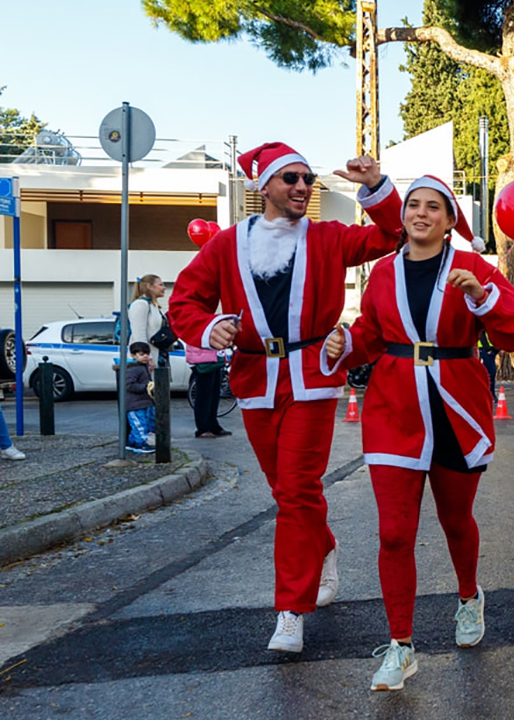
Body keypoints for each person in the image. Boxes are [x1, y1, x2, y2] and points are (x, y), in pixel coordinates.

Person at [168, 141, 403, 654]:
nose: (302, 187)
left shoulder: (329, 237)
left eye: (308, 179)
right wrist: (209, 327)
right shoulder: (227, 244)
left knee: (296, 488)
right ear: (264, 187)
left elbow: (395, 234)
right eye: (291, 179)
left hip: (313, 379)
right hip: (255, 381)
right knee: (288, 492)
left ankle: (291, 610)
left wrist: (374, 187)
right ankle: (324, 547)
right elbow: (183, 300)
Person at [322, 174, 514, 692]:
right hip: (394, 411)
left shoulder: (472, 267)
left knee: (455, 520)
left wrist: (484, 298)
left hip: (456, 411)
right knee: (394, 533)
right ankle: (400, 647)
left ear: (449, 221)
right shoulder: (385, 272)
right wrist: (344, 345)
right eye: (413, 205)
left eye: (433, 207)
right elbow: (370, 335)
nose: (420, 213)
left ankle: (468, 597)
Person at [186, 344, 232, 438]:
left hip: (214, 357)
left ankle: (212, 424)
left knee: (214, 394)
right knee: (204, 395)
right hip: (202, 358)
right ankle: (203, 428)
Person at [122, 342, 157, 454]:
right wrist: (145, 387)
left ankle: (132, 442)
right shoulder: (134, 369)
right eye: (142, 354)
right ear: (133, 355)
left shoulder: (143, 367)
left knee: (144, 423)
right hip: (134, 404)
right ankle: (140, 444)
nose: (146, 356)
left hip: (143, 402)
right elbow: (129, 385)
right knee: (139, 425)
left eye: (147, 354)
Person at [128, 274, 168, 365]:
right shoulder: (140, 304)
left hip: (156, 356)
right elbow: (139, 333)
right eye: (161, 285)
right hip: (144, 360)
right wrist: (145, 356)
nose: (164, 288)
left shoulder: (153, 306)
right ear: (149, 286)